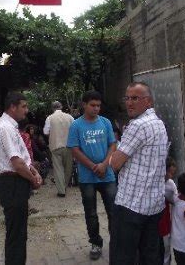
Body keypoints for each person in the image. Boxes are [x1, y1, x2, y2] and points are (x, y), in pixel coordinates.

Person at [110, 82, 169, 265]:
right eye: (127, 98)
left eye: (135, 98)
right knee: (150, 256)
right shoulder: (159, 124)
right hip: (153, 205)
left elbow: (115, 163)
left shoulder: (138, 125)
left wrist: (113, 155)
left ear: (148, 101)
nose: (129, 103)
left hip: (131, 205)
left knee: (123, 257)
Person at [0, 92, 42, 265]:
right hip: (12, 184)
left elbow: (23, 158)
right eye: (24, 106)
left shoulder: (10, 126)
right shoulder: (5, 127)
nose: (26, 111)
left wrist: (34, 172)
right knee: (16, 234)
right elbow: (17, 163)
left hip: (16, 182)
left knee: (19, 232)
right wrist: (33, 180)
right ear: (13, 107)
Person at [67, 91, 117, 261]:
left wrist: (104, 164)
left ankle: (116, 242)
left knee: (113, 211)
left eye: (98, 105)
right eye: (92, 105)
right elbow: (74, 149)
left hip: (107, 175)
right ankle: (95, 243)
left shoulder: (105, 122)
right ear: (84, 105)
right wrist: (93, 166)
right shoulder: (76, 125)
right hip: (87, 178)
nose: (96, 108)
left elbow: (112, 144)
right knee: (91, 213)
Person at [43, 101, 74, 197]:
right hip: (68, 146)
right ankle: (64, 186)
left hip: (55, 146)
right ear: (61, 107)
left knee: (58, 168)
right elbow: (75, 129)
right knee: (68, 168)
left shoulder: (49, 118)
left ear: (52, 108)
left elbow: (45, 132)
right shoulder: (70, 117)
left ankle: (61, 191)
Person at [158, 156, 178, 265]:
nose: (170, 176)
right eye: (169, 172)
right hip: (154, 224)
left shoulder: (170, 185)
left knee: (166, 248)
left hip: (165, 224)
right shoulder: (154, 182)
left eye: (172, 173)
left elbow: (175, 202)